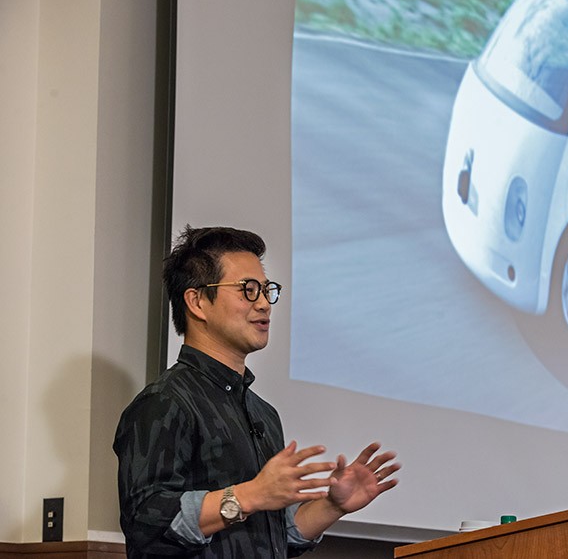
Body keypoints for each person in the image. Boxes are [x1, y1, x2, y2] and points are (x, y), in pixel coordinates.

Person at [113, 226, 400, 557]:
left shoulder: (263, 413)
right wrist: (250, 495)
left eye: (267, 290)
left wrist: (333, 506)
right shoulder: (164, 401)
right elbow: (146, 523)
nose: (264, 303)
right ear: (196, 302)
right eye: (248, 290)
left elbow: (273, 536)